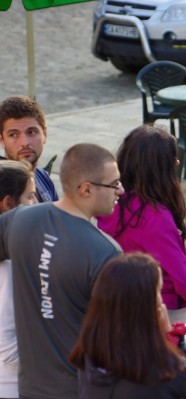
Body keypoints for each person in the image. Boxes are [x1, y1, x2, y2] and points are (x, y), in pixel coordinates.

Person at [0, 143, 123, 399]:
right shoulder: (105, 252)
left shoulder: (20, 220)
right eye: (114, 184)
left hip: (29, 389)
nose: (120, 190)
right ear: (86, 189)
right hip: (79, 391)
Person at [69, 253, 186, 398]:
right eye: (158, 292)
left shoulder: (90, 355)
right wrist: (172, 337)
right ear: (147, 306)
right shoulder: (160, 368)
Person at [97, 125, 186, 309]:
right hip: (160, 311)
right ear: (162, 168)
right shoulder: (155, 216)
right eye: (173, 159)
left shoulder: (108, 204)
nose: (177, 163)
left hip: (118, 305)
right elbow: (184, 281)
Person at [0, 160, 37, 399]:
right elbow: (6, 342)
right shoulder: (9, 264)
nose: (37, 204)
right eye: (31, 197)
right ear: (8, 204)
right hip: (12, 386)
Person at [0, 96, 59, 202]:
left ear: (44, 134)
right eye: (13, 135)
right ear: (1, 140)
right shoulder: (2, 187)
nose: (25, 143)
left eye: (31, 132)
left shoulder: (42, 176)